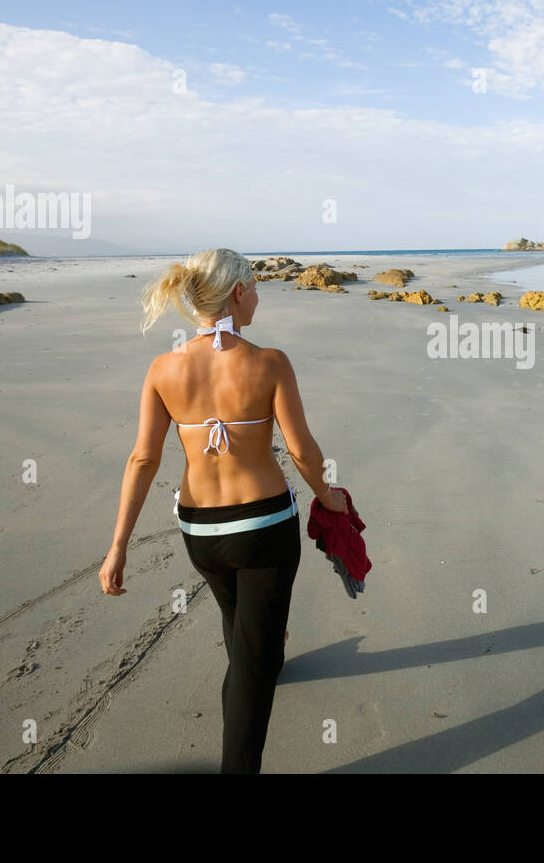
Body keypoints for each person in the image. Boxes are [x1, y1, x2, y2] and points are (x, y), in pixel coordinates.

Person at [100, 247, 349, 774]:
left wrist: (118, 544)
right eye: (255, 285)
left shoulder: (164, 368)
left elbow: (143, 458)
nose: (258, 294)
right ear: (237, 292)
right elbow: (302, 450)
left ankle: (262, 657)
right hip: (263, 528)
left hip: (201, 534)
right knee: (250, 672)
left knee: (238, 614)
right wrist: (331, 498)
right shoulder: (269, 362)